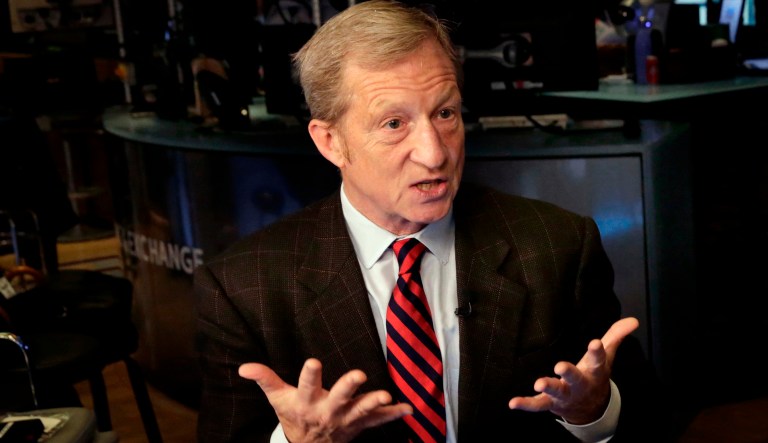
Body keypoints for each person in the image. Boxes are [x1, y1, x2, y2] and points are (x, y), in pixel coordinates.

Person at [194, 1, 670, 442]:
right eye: (393, 124)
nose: (435, 152)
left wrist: (592, 413)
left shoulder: (559, 244)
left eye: (445, 113)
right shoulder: (242, 288)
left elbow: (642, 419)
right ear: (330, 141)